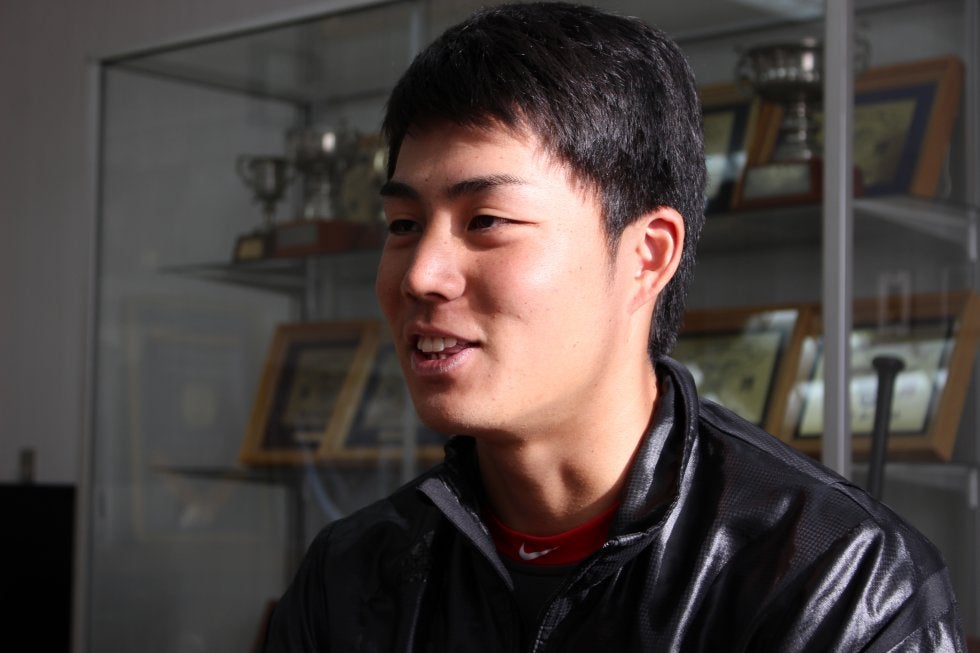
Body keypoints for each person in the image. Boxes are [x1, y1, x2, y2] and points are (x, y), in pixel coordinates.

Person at [263, 2, 965, 650]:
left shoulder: (837, 584)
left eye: (486, 221)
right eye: (402, 225)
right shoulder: (351, 577)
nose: (421, 274)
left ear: (645, 256)